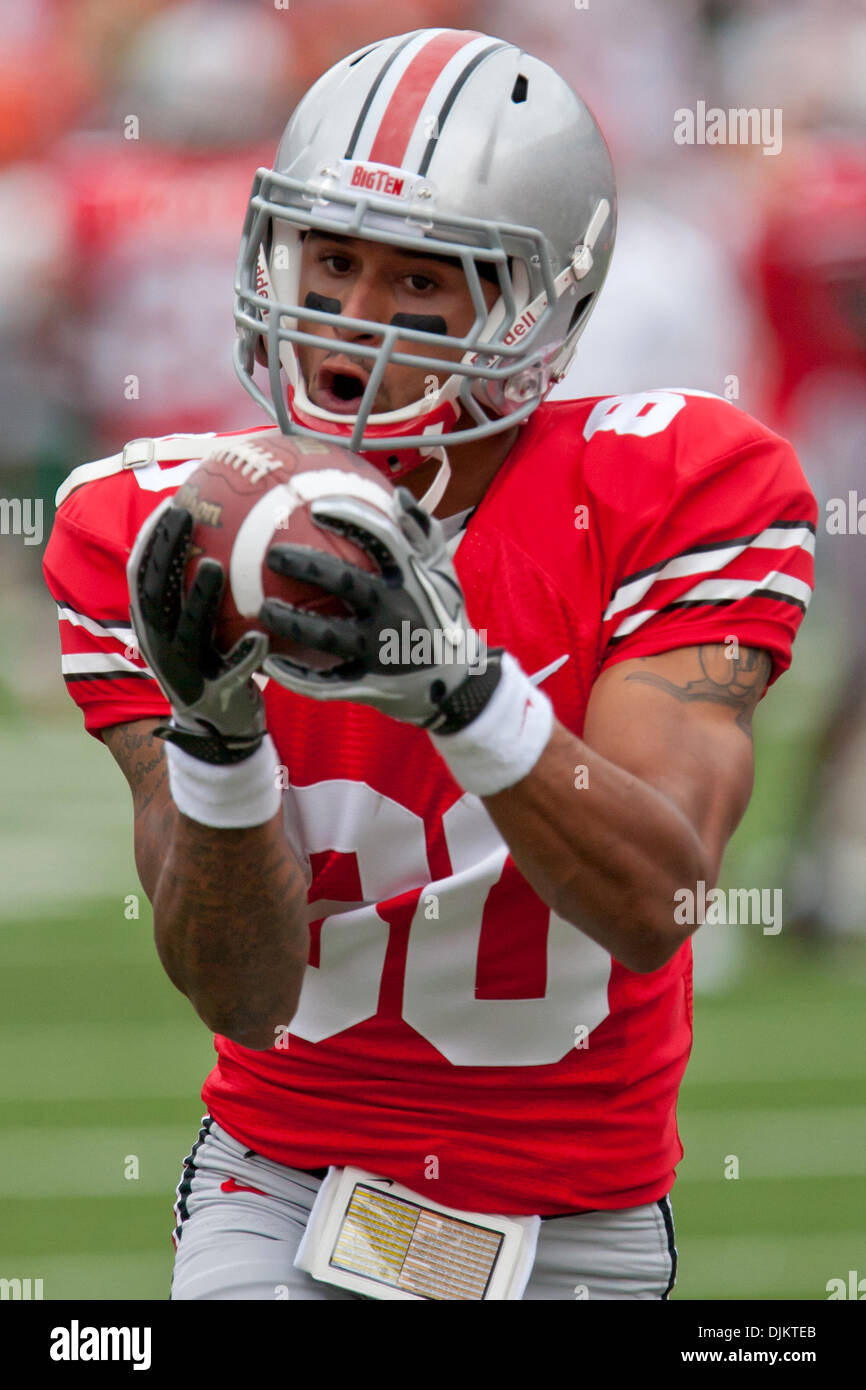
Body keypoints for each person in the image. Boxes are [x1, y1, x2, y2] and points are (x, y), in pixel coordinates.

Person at [43, 28, 816, 1300]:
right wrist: (221, 742)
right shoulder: (156, 529)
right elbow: (239, 991)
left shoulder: (671, 490)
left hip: (578, 1215)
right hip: (279, 1181)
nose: (347, 318)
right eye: (330, 260)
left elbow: (654, 901)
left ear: (537, 304)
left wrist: (461, 688)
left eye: (419, 279)